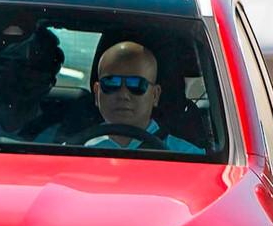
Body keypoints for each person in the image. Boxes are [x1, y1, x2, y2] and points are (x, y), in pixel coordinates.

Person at [74, 41, 202, 153]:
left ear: (155, 95)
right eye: (111, 82)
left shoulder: (190, 158)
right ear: (97, 92)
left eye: (136, 84)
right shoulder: (72, 151)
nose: (123, 95)